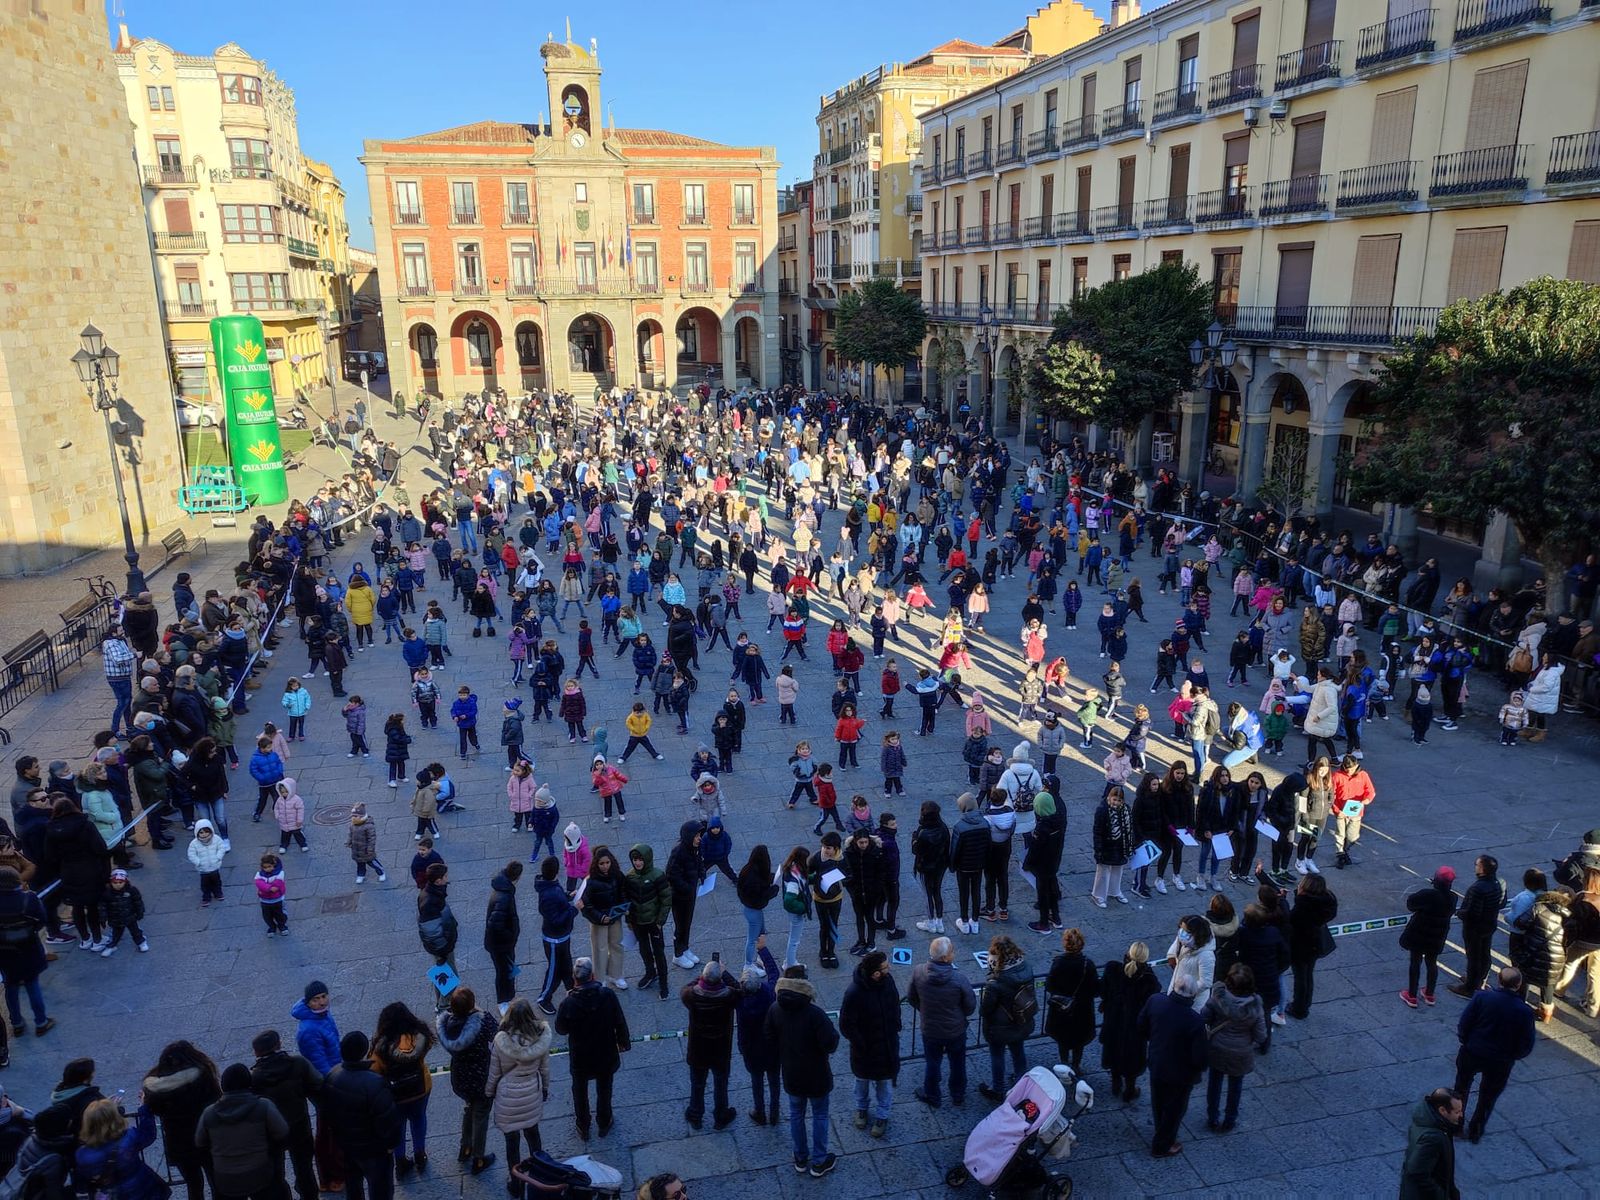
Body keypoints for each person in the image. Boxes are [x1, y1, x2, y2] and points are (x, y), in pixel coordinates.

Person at [765, 966, 841, 1178]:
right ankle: (819, 1161)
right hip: (817, 1074)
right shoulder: (815, 1014)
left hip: (791, 1073)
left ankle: (800, 1157)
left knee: (796, 1114)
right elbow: (831, 1043)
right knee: (820, 1115)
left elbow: (769, 1037)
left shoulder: (775, 1009)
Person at [1454, 966, 1536, 1143]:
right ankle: (1475, 1131)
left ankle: (1456, 1125)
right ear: (1519, 985)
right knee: (1488, 1097)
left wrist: (1466, 1041)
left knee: (1461, 1088)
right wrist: (1512, 1056)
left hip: (1473, 1051)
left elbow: (1465, 1022)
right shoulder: (1525, 1011)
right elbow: (1527, 1043)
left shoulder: (1482, 997)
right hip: (1501, 1061)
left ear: (1499, 980)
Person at [319, 1031, 403, 1200]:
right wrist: (391, 1144)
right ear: (364, 1051)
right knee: (380, 1190)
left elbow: (326, 1112)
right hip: (374, 1150)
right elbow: (387, 1120)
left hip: (347, 1145)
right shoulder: (375, 1082)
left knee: (353, 1186)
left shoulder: (332, 1075)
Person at [554, 957, 631, 1140]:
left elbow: (561, 1029)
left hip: (581, 1057)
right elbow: (619, 1020)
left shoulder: (568, 1003)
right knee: (605, 1088)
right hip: (606, 1052)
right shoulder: (607, 995)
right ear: (592, 976)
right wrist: (623, 1042)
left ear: (575, 978)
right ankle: (604, 1121)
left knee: (579, 1091)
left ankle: (583, 1125)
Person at [1138, 975, 1209, 1158]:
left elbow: (1141, 1025)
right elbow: (1199, 1056)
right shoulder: (1195, 1021)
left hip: (1157, 1063)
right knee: (1175, 1109)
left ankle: (1160, 1131)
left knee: (1158, 1102)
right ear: (1193, 995)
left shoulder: (1156, 1001)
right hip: (1181, 1074)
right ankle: (1162, 1146)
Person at [195, 1062, 289, 1200]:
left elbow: (199, 1142)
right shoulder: (263, 1106)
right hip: (260, 1174)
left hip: (225, 1179)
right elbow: (282, 1132)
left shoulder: (209, 1113)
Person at [143, 1040, 222, 1200]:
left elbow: (153, 1109)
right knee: (216, 1183)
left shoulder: (155, 1087)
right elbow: (216, 1100)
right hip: (206, 1139)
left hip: (179, 1145)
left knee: (193, 1185)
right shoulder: (203, 1076)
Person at [249, 1029, 323, 1200]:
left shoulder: (254, 1077)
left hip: (272, 1133)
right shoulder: (298, 1063)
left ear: (256, 1052)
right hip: (300, 1125)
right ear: (279, 1044)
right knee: (304, 1169)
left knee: (277, 1174)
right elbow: (317, 1084)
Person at [432, 988, 498, 1176]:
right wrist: (479, 1011)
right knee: (481, 1114)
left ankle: (465, 1148)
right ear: (471, 1006)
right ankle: (478, 1158)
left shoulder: (446, 1026)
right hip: (481, 1077)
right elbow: (497, 1032)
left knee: (469, 1107)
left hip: (460, 1078)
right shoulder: (482, 1022)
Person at [839, 949, 902, 1138]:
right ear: (875, 973)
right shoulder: (854, 992)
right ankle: (862, 1109)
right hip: (865, 1050)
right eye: (885, 967)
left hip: (886, 1045)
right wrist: (860, 1044)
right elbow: (846, 1024)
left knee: (884, 1083)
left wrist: (895, 1026)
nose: (889, 969)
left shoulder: (888, 982)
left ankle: (882, 1115)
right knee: (862, 1082)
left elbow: (895, 1005)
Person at [907, 936, 975, 1108]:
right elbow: (970, 1006)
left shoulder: (919, 972)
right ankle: (958, 1094)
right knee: (958, 1063)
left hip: (930, 1029)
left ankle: (932, 1095)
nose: (954, 953)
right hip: (955, 1030)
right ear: (945, 958)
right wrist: (959, 1016)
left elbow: (911, 998)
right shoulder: (959, 979)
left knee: (932, 1062)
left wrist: (924, 1011)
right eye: (952, 951)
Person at [485, 998, 551, 1174]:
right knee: (533, 1135)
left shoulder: (501, 1041)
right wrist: (545, 1088)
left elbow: (494, 1072)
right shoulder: (540, 1038)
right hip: (532, 1092)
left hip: (508, 1097)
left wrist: (489, 1092)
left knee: (512, 1143)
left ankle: (515, 1180)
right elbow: (544, 1069)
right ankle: (539, 1173)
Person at [1199, 964, 1267, 1132]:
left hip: (1217, 1048)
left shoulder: (1218, 997)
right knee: (1235, 1086)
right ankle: (1230, 1120)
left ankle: (1212, 1118)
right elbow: (1261, 1035)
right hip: (1241, 1053)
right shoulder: (1255, 1005)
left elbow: (1204, 1017)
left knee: (1214, 1084)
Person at [368, 1003, 434, 1176]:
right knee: (419, 1119)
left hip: (395, 1095)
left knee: (398, 1125)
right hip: (420, 1088)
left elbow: (374, 1069)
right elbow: (426, 1048)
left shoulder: (381, 1046)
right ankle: (420, 1154)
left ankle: (400, 1161)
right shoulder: (419, 1036)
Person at [680, 958, 741, 1130]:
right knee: (721, 1083)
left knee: (697, 1083)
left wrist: (701, 976)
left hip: (698, 1049)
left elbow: (685, 988)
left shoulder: (691, 995)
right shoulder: (729, 995)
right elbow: (739, 988)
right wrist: (724, 972)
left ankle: (695, 1115)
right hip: (721, 1049)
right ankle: (721, 1116)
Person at [1098, 941, 1161, 1103]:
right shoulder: (1149, 981)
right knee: (1132, 1059)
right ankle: (1129, 1090)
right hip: (1135, 1029)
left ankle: (1115, 1084)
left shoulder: (1113, 969)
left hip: (1113, 1022)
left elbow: (1102, 992)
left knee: (1113, 1052)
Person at [977, 935, 1034, 1101]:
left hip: (999, 1027)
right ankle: (1022, 1083)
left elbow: (985, 1009)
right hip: (1021, 1020)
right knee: (1018, 1050)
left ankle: (998, 1089)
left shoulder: (995, 983)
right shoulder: (1026, 967)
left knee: (997, 1055)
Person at [73, 1099, 163, 1200]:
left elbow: (81, 1186)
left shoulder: (82, 1155)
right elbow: (148, 1134)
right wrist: (143, 1108)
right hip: (141, 1190)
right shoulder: (129, 1138)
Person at [0, 867, 52, 1036]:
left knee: (10, 987)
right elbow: (42, 920)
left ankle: (17, 1023)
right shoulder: (29, 898)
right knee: (32, 984)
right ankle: (41, 1022)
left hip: (4, 953)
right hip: (29, 949)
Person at [735, 939, 782, 1126]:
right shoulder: (770, 993)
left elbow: (742, 1033)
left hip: (753, 1052)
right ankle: (775, 1112)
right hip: (773, 1048)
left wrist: (721, 972)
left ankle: (759, 1111)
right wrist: (763, 949)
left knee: (757, 1082)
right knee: (774, 1081)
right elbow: (774, 973)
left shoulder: (741, 1003)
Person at [1450, 855, 1506, 997]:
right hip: (1490, 924)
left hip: (1475, 929)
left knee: (1473, 957)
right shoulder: (1498, 883)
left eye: (1477, 864)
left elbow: (1472, 912)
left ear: (1482, 868)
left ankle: (1469, 987)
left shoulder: (1478, 888)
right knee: (1484, 953)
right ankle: (1478, 980)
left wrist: (1460, 913)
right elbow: (1502, 903)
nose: (1475, 866)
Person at [1285, 873, 1338, 1019]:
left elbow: (1289, 921)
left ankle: (1299, 1008)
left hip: (1300, 947)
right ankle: (1305, 1004)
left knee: (1300, 977)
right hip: (1315, 944)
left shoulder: (1303, 908)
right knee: (1308, 974)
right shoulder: (1326, 903)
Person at [1400, 1087, 1462, 1200]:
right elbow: (1416, 1172)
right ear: (1442, 1110)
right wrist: (1441, 1195)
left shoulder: (1427, 1120)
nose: (1461, 1115)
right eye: (1457, 1112)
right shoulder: (1433, 1138)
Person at [483, 862, 523, 1008]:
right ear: (517, 877)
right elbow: (495, 924)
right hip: (500, 945)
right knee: (503, 972)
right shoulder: (504, 897)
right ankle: (503, 1001)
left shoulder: (503, 890)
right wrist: (511, 936)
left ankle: (509, 996)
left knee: (507, 970)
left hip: (502, 944)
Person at [1165, 914, 1215, 1009]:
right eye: (1181, 928)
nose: (1181, 932)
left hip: (1192, 1001)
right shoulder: (1185, 941)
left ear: (1196, 934)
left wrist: (1186, 990)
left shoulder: (1206, 956)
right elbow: (1174, 949)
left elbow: (1206, 982)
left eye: (1186, 931)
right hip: (1176, 991)